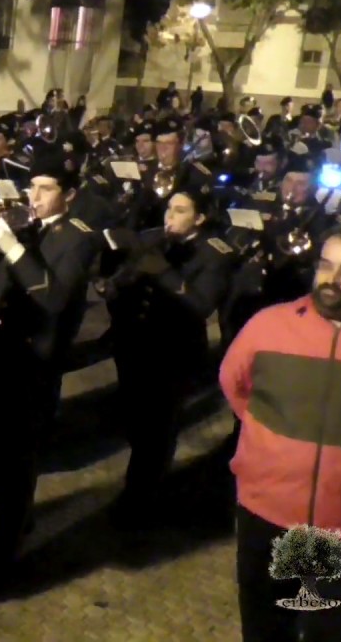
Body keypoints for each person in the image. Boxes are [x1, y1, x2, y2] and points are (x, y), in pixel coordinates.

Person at [0, 147, 98, 593]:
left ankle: (2, 553)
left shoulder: (77, 237)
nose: (35, 196)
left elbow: (50, 298)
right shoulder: (23, 226)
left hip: (30, 366)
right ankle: (15, 515)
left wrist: (11, 245)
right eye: (32, 187)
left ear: (68, 195)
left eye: (46, 189)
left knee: (15, 460)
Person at [220, 222, 341, 642]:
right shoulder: (269, 326)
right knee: (266, 630)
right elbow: (236, 386)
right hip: (268, 517)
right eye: (326, 265)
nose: (332, 279)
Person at [98, 188, 234, 526]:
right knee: (133, 416)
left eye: (180, 210)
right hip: (135, 343)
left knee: (157, 428)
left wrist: (163, 272)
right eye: (168, 209)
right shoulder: (152, 238)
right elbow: (127, 280)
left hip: (173, 350)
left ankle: (140, 497)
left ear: (199, 218)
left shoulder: (214, 253)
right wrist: (114, 286)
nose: (169, 217)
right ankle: (142, 481)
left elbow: (202, 305)